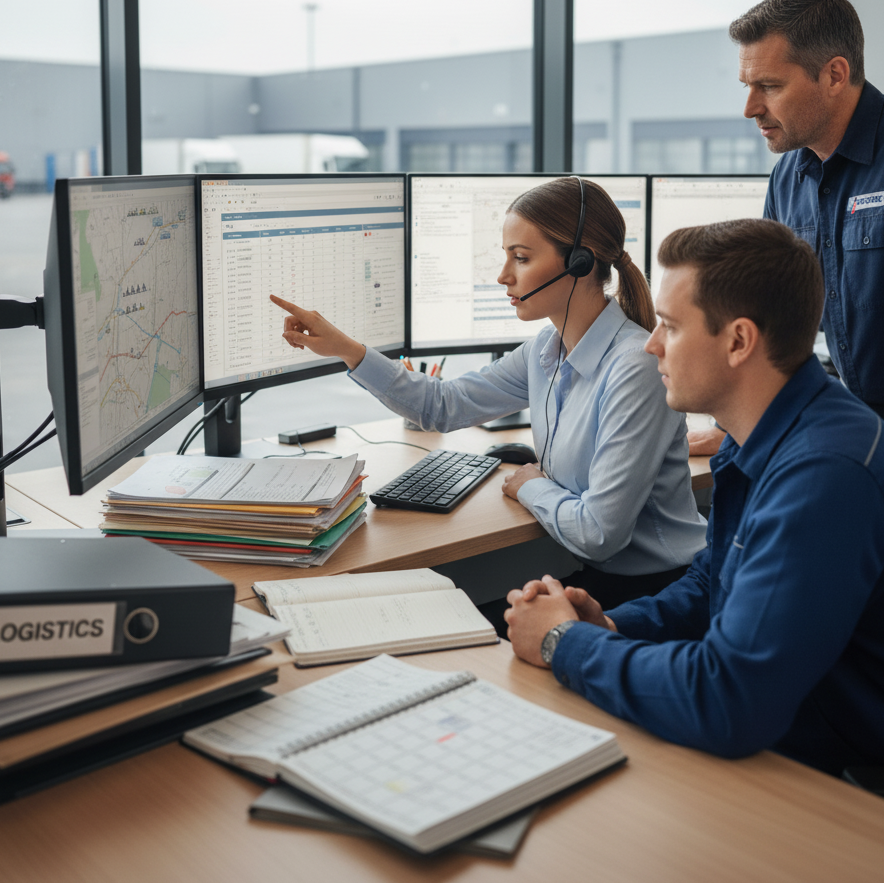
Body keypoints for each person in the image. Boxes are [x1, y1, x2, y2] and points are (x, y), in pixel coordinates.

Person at [505, 219, 884, 775]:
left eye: (671, 327)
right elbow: (715, 582)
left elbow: (729, 700)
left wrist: (564, 643)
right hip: (810, 738)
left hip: (875, 789)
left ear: (739, 341)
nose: (651, 344)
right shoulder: (779, 431)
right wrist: (609, 626)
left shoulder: (825, 474)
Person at [271, 176, 706, 609]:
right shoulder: (545, 350)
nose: (503, 276)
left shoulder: (635, 367)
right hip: (599, 581)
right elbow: (442, 406)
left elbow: (598, 535)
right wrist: (347, 350)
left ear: (579, 263)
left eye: (521, 258)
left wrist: (532, 484)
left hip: (661, 593)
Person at [692, 0, 884, 538]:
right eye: (748, 86)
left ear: (835, 74)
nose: (750, 108)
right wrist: (747, 421)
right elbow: (776, 322)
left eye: (769, 86)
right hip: (865, 430)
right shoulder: (789, 178)